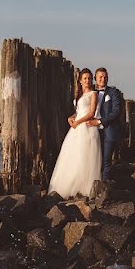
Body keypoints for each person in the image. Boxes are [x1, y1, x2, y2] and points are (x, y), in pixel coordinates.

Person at [47, 68, 102, 198]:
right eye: (85, 78)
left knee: (85, 156)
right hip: (77, 128)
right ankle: (68, 186)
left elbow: (91, 113)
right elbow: (79, 111)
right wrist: (71, 117)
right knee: (73, 155)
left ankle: (84, 188)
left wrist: (78, 122)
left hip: (87, 127)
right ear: (80, 81)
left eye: (89, 78)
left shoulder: (93, 94)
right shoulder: (79, 96)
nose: (88, 80)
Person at [87, 67, 123, 180]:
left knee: (106, 160)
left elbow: (116, 112)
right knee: (94, 160)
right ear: (95, 79)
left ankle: (104, 189)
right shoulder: (90, 93)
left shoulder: (113, 92)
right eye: (101, 77)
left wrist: (99, 121)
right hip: (92, 131)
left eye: (105, 77)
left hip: (109, 130)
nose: (103, 79)